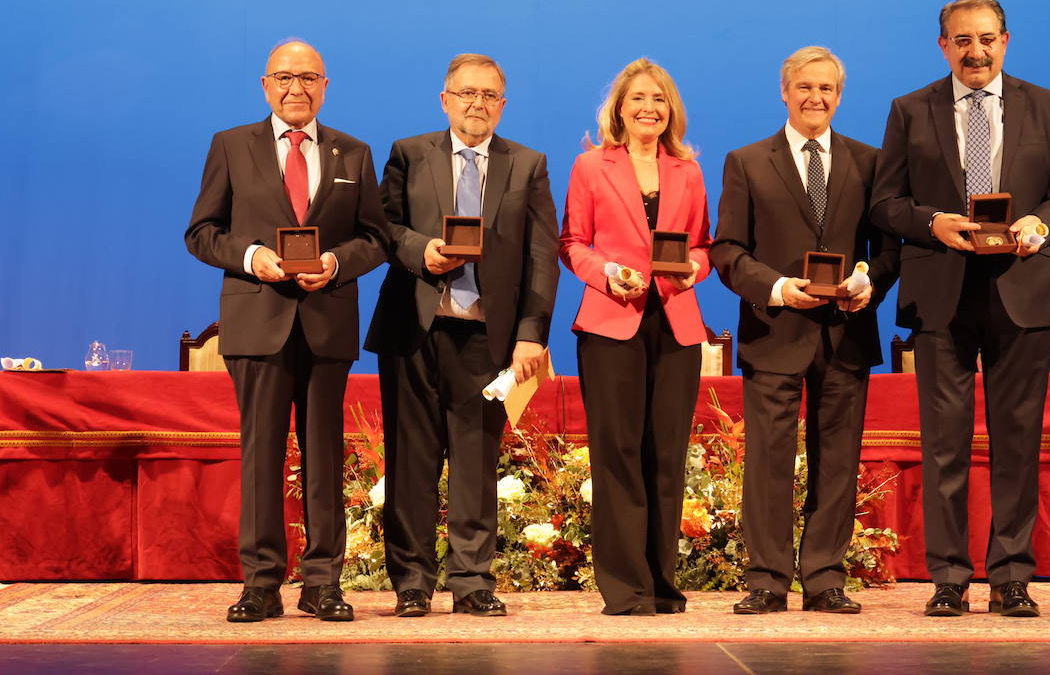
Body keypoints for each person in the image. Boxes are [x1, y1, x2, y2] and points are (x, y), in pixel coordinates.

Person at [870, 0, 1050, 618]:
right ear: (943, 46)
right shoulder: (910, 110)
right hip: (941, 294)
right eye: (962, 40)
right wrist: (932, 220)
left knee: (1018, 440)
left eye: (987, 39)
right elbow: (886, 203)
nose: (976, 51)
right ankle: (949, 577)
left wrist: (1040, 226)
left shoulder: (1046, 105)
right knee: (945, 443)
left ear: (1006, 41)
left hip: (1023, 291)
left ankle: (1012, 575)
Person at [186, 39, 388, 623]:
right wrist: (251, 257)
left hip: (327, 323)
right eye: (284, 77)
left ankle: (323, 582)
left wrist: (336, 264)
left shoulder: (354, 152)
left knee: (325, 454)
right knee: (262, 453)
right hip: (257, 323)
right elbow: (201, 232)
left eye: (308, 78)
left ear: (326, 86)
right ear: (264, 84)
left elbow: (374, 238)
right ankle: (261, 584)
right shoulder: (231, 146)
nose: (296, 88)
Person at [364, 53, 558, 618]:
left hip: (488, 340)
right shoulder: (408, 153)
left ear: (503, 104)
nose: (478, 104)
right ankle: (413, 584)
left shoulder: (527, 164)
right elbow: (383, 227)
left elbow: (542, 257)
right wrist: (419, 251)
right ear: (444, 99)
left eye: (490, 95)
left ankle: (473, 582)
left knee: (476, 464)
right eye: (467, 94)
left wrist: (530, 334)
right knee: (410, 463)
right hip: (415, 330)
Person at [710, 46, 898, 615]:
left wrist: (870, 281)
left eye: (827, 89)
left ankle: (824, 579)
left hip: (846, 334)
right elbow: (727, 250)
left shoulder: (870, 162)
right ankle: (766, 580)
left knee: (837, 461)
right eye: (805, 88)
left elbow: (888, 250)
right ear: (785, 92)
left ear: (839, 96)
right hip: (775, 331)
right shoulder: (746, 161)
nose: (816, 98)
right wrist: (776, 288)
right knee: (768, 461)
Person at [559, 58, 713, 616]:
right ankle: (625, 588)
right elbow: (573, 242)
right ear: (619, 108)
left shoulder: (689, 171)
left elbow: (703, 247)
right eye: (638, 99)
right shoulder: (590, 167)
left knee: (666, 456)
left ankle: (662, 584)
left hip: (675, 323)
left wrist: (694, 268)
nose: (649, 108)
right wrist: (607, 274)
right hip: (610, 322)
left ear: (670, 110)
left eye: (659, 99)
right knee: (617, 454)